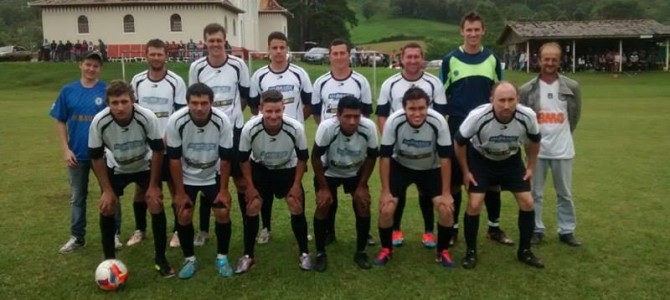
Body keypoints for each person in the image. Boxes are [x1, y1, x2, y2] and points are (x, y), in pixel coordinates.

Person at [88, 80, 175, 277]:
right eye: (114, 102)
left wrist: (153, 186)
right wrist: (107, 191)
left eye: (124, 102)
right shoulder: (99, 122)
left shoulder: (146, 117)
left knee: (155, 202)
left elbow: (158, 150)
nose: (120, 107)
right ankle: (109, 261)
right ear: (108, 103)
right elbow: (95, 156)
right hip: (116, 168)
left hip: (144, 166)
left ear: (133, 100)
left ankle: (161, 259)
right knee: (108, 206)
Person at [454, 81, 544, 269]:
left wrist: (530, 167)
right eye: (501, 100)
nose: (506, 105)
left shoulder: (527, 116)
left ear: (518, 99)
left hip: (510, 160)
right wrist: (466, 171)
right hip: (481, 159)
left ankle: (525, 251)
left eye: (511, 100)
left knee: (527, 202)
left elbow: (535, 140)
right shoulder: (478, 116)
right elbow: (459, 142)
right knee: (475, 202)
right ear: (491, 100)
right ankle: (471, 252)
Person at [440, 11, 511, 247]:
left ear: (483, 31)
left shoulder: (492, 59)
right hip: (457, 126)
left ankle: (494, 227)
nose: (472, 34)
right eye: (468, 30)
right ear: (462, 31)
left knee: (491, 180)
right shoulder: (450, 59)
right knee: (455, 180)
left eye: (476, 29)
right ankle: (453, 230)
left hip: (486, 128)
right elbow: (442, 95)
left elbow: (499, 94)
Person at [375, 87, 455, 267]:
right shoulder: (394, 121)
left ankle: (442, 251)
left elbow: (445, 158)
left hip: (430, 168)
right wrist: (386, 191)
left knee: (446, 209)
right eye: (412, 109)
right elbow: (385, 157)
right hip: (401, 166)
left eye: (421, 108)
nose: (417, 113)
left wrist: (446, 192)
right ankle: (387, 249)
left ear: (428, 107)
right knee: (387, 208)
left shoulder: (439, 121)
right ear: (404, 108)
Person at [375, 42, 445, 248]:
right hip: (399, 149)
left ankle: (429, 231)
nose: (413, 61)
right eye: (409, 57)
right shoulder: (390, 83)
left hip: (427, 150)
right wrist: (391, 139)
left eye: (417, 57)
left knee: (427, 191)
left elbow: (440, 116)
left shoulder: (434, 83)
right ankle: (395, 230)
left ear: (422, 59)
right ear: (401, 60)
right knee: (399, 192)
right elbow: (381, 115)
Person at [51, 51, 122, 254]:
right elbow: (60, 120)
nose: (91, 69)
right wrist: (65, 149)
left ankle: (114, 234)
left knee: (110, 194)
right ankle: (77, 237)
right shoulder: (68, 91)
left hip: (104, 155)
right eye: (88, 64)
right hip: (78, 155)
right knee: (77, 197)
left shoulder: (107, 91)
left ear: (100, 69)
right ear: (80, 65)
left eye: (96, 66)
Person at [235, 89, 311, 274]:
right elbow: (243, 159)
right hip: (260, 168)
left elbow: (302, 158)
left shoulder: (295, 128)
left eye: (278, 111)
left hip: (286, 168)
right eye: (269, 111)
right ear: (260, 109)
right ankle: (248, 256)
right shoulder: (250, 128)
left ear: (283, 108)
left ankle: (304, 253)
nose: (274, 115)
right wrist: (250, 187)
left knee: (296, 204)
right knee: (252, 206)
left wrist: (295, 185)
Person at [189, 23, 251, 247]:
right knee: (208, 180)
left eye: (219, 40)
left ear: (225, 41)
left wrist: (231, 119)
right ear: (204, 41)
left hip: (234, 131)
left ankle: (248, 224)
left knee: (241, 180)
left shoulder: (238, 65)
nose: (215, 44)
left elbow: (244, 95)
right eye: (211, 40)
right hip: (207, 132)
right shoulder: (196, 67)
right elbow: (194, 98)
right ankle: (204, 230)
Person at [248, 31, 313, 244]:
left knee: (296, 187)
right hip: (267, 140)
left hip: (292, 143)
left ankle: (302, 227)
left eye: (282, 47)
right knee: (264, 190)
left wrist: (293, 125)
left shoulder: (299, 73)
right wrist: (270, 123)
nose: (278, 51)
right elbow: (253, 107)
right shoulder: (259, 76)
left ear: (287, 49)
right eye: (274, 48)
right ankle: (265, 228)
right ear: (268, 50)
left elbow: (309, 104)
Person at [166, 83, 235, 279]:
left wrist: (223, 190)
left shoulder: (222, 121)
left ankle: (222, 257)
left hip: (212, 174)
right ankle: (190, 259)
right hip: (187, 175)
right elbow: (173, 159)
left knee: (222, 212)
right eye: (194, 103)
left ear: (211, 103)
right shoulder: (176, 121)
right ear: (187, 103)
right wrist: (179, 193)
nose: (199, 107)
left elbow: (226, 158)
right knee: (184, 215)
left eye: (204, 103)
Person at [311, 38, 374, 246]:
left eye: (342, 53)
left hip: (353, 142)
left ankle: (365, 234)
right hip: (331, 142)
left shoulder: (360, 81)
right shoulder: (320, 82)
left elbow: (365, 113)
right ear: (330, 56)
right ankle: (329, 231)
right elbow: (316, 112)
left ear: (349, 55)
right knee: (330, 196)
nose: (338, 57)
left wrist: (352, 132)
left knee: (360, 196)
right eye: (335, 53)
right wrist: (329, 133)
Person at [519, 42, 582, 247]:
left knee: (564, 193)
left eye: (554, 59)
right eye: (546, 59)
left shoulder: (571, 87)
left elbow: (574, 117)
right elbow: (524, 122)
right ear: (539, 60)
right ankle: (536, 229)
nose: (550, 63)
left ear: (560, 61)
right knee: (534, 193)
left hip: (562, 150)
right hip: (536, 152)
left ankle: (566, 230)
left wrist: (563, 134)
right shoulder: (527, 89)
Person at [127, 39, 187, 248]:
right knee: (142, 189)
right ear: (146, 55)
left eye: (159, 54)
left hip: (169, 145)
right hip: (145, 148)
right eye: (152, 54)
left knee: (175, 188)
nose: (156, 57)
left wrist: (167, 139)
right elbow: (132, 112)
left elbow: (180, 115)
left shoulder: (176, 81)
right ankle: (140, 229)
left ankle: (178, 231)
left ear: (166, 56)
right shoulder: (137, 80)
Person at [311, 96, 378, 271]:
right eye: (347, 116)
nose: (352, 121)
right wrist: (324, 188)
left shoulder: (369, 127)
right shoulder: (327, 128)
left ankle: (361, 251)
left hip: (355, 172)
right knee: (324, 204)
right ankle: (320, 253)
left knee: (363, 203)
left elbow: (372, 156)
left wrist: (362, 185)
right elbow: (315, 157)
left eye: (356, 116)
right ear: (338, 115)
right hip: (329, 171)